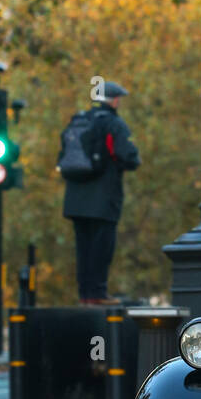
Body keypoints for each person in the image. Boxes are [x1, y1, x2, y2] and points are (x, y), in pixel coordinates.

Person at [58, 81, 140, 305]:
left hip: (75, 199)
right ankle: (98, 293)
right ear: (114, 100)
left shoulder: (78, 120)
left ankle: (85, 294)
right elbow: (129, 156)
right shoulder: (113, 124)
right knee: (102, 247)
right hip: (103, 198)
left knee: (83, 248)